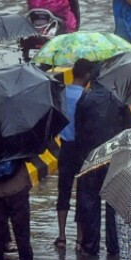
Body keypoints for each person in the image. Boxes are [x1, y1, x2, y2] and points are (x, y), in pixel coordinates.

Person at [74, 76, 131, 257]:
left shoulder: (84, 100)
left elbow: (79, 133)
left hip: (91, 159)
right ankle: (114, 246)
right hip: (114, 159)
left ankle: (90, 246)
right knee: (113, 205)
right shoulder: (119, 100)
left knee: (89, 204)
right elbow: (129, 129)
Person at [55, 58, 90, 250]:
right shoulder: (87, 96)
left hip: (65, 147)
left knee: (64, 191)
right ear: (86, 75)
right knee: (83, 193)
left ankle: (61, 235)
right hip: (82, 149)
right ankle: (79, 238)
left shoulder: (61, 93)